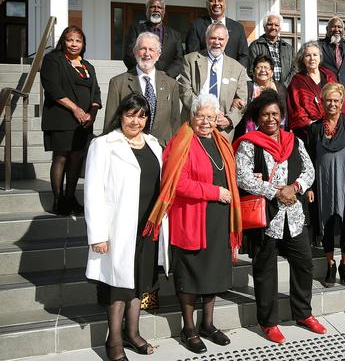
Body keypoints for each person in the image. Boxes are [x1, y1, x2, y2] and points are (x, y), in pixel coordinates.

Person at [143, 93, 243, 353]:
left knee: (212, 274)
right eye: (201, 116)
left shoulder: (221, 140)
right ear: (192, 115)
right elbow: (178, 183)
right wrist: (215, 192)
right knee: (190, 276)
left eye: (211, 117)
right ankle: (188, 328)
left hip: (218, 220)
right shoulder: (181, 141)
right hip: (191, 218)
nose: (206, 122)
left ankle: (207, 324)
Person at [234, 90, 324, 345]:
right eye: (265, 114)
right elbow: (243, 177)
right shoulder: (249, 143)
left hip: (294, 216)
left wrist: (294, 188)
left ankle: (303, 313)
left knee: (304, 264)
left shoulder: (294, 141)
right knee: (265, 270)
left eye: (275, 113)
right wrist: (275, 191)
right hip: (267, 217)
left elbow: (309, 169)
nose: (270, 118)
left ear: (282, 116)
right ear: (258, 118)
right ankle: (268, 321)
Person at [84, 93, 169, 361]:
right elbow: (93, 191)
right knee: (118, 287)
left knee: (140, 283)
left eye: (142, 115)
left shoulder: (154, 144)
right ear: (120, 115)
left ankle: (133, 333)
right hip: (118, 229)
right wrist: (97, 234)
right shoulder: (103, 144)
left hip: (147, 227)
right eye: (130, 114)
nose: (136, 120)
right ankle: (115, 340)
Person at [306, 83, 345, 288]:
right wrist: (310, 187)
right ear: (322, 103)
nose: (332, 104)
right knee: (327, 225)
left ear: (342, 103)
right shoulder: (315, 129)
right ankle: (330, 264)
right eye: (328, 100)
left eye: (336, 101)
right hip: (323, 186)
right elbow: (308, 159)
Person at [40, 26, 101, 216]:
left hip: (83, 121)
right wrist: (75, 109)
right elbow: (53, 88)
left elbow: (96, 92)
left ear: (83, 44)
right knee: (62, 157)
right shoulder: (53, 59)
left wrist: (92, 113)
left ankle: (71, 196)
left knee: (77, 158)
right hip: (61, 117)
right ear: (63, 41)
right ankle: (58, 200)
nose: (74, 44)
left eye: (78, 40)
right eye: (70, 40)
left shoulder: (87, 66)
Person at [104, 32, 181, 146]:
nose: (147, 53)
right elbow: (110, 122)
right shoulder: (118, 83)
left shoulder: (171, 84)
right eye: (142, 49)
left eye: (151, 49)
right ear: (135, 52)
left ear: (158, 54)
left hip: (162, 150)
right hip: (129, 148)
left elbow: (175, 123)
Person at [179, 23, 248, 141]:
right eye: (213, 38)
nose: (217, 42)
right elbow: (185, 91)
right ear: (206, 39)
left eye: (221, 39)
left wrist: (229, 119)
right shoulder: (190, 60)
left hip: (223, 130)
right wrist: (205, 113)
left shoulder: (238, 68)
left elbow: (241, 99)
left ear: (226, 41)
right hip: (196, 124)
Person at [286, 40, 343, 140]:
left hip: (333, 128)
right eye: (308, 55)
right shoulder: (297, 80)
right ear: (302, 59)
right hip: (308, 132)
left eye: (315, 55)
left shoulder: (330, 76)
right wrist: (314, 125)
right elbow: (295, 108)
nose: (312, 58)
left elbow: (341, 98)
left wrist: (335, 121)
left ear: (320, 58)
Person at [122, 0, 184, 78]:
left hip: (166, 80)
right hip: (139, 78)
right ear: (146, 11)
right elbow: (128, 55)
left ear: (164, 12)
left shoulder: (175, 35)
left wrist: (167, 74)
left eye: (159, 7)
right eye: (152, 7)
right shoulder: (135, 30)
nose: (156, 9)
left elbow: (179, 60)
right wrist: (146, 72)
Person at [233, 55, 288, 141]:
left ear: (272, 72)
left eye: (266, 68)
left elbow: (285, 111)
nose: (263, 70)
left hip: (277, 134)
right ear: (253, 72)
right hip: (250, 134)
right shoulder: (246, 86)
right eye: (259, 67)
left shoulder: (280, 88)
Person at [185, 0, 248, 66]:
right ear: (207, 4)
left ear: (225, 4)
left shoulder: (238, 28)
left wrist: (235, 73)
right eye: (212, 0)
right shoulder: (196, 26)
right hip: (205, 73)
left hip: (231, 74)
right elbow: (192, 54)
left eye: (220, 0)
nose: (216, 3)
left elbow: (243, 56)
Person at [318, 17, 345, 117]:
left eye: (339, 27)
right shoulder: (319, 46)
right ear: (327, 29)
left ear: (343, 30)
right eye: (333, 26)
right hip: (327, 97)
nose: (337, 29)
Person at [247, 14, 294, 84]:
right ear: (264, 27)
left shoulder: (288, 48)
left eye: (276, 25)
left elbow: (295, 69)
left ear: (280, 28)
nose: (273, 27)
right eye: (270, 24)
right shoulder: (255, 46)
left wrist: (285, 85)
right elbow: (251, 70)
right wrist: (268, 84)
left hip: (285, 90)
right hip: (264, 89)